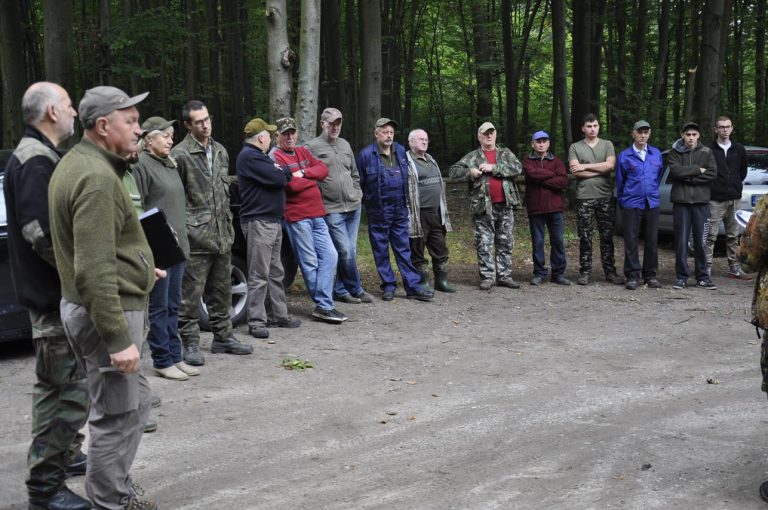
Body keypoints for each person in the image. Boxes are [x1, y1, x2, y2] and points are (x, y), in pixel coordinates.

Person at [48, 85, 159, 510]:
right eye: (130, 122)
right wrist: (117, 339)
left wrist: (143, 264)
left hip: (94, 305)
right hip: (105, 313)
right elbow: (92, 271)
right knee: (114, 418)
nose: (139, 129)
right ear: (102, 126)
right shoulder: (95, 178)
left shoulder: (81, 163)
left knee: (138, 400)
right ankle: (109, 502)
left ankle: (115, 488)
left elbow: (97, 247)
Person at [4, 82, 91, 510]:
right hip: (54, 299)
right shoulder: (35, 161)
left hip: (55, 295)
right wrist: (85, 273)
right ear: (52, 112)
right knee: (65, 393)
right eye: (71, 106)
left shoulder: (40, 155)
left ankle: (67, 455)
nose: (76, 112)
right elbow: (40, 234)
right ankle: (45, 489)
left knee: (58, 388)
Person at [172, 100, 252, 366]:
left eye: (207, 119)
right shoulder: (180, 154)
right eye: (199, 122)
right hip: (196, 237)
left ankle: (223, 336)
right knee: (191, 295)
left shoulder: (220, 151)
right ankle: (190, 343)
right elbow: (176, 197)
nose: (206, 125)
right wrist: (184, 230)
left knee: (222, 290)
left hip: (222, 234)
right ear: (187, 125)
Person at [133, 116, 199, 380]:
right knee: (159, 306)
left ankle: (175, 356)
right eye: (166, 135)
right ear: (149, 139)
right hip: (157, 248)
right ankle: (161, 359)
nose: (171, 139)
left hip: (178, 246)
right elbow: (137, 211)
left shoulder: (169, 164)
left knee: (174, 304)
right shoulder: (141, 165)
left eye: (172, 135)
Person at [271, 117, 347, 323]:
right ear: (276, 135)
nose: (290, 137)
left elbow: (323, 170)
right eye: (285, 133)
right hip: (296, 217)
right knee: (309, 261)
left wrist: (303, 173)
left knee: (331, 255)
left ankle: (323, 304)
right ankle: (324, 305)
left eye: (292, 132)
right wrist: (310, 180)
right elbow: (291, 187)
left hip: (317, 213)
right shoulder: (275, 156)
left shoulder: (302, 151)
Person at [236, 118, 301, 339]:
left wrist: (281, 172)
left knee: (275, 271)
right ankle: (256, 321)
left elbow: (283, 173)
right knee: (259, 273)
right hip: (259, 222)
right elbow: (279, 177)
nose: (272, 138)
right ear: (261, 137)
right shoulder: (249, 157)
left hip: (271, 221)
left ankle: (278, 315)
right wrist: (281, 172)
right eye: (269, 135)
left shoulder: (260, 157)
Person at [356, 118, 434, 301]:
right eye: (384, 132)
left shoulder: (399, 151)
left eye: (391, 132)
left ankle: (413, 287)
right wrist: (368, 204)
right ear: (376, 134)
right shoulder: (366, 155)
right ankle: (388, 286)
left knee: (403, 249)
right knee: (381, 251)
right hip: (378, 210)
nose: (388, 135)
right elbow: (359, 182)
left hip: (399, 208)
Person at [306, 108, 373, 303]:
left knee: (350, 251)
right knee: (345, 251)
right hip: (331, 209)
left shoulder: (345, 145)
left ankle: (341, 290)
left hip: (353, 207)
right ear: (322, 124)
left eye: (338, 123)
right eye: (331, 123)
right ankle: (357, 288)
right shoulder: (312, 147)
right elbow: (309, 178)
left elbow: (354, 173)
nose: (335, 127)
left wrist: (357, 194)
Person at [449, 121, 523, 291]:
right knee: (484, 243)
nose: (489, 136)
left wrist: (493, 168)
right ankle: (487, 277)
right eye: (485, 133)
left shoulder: (505, 153)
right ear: (479, 136)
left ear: (495, 135)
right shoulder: (472, 157)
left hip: (505, 205)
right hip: (482, 207)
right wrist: (470, 172)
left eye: (492, 133)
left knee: (505, 241)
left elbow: (517, 168)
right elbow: (453, 172)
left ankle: (504, 276)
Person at [568, 113, 623, 286]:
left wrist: (585, 166)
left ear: (599, 127)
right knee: (585, 236)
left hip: (604, 196)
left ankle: (610, 271)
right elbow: (576, 172)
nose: (592, 129)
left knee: (607, 236)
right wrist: (600, 169)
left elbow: (611, 165)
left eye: (595, 126)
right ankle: (585, 272)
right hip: (584, 197)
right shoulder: (575, 147)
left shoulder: (607, 145)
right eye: (589, 126)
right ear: (583, 128)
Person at [615, 120, 665, 290]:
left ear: (649, 134)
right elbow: (620, 182)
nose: (643, 135)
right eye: (640, 132)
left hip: (651, 203)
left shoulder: (656, 154)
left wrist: (652, 193)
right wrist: (624, 200)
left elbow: (657, 177)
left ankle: (650, 275)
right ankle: (632, 276)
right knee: (631, 240)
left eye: (646, 132)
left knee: (652, 240)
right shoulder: (624, 156)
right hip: (631, 203)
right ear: (633, 133)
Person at [668, 121, 718, 290]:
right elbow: (675, 172)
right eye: (687, 134)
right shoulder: (674, 152)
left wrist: (687, 177)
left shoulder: (707, 152)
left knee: (701, 242)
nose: (691, 138)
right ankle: (681, 277)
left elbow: (712, 174)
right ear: (682, 135)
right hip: (681, 203)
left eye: (694, 135)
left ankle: (703, 277)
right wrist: (697, 169)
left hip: (701, 203)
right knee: (681, 242)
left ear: (699, 135)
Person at [406, 128, 455, 292]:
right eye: (420, 139)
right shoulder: (406, 161)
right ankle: (422, 282)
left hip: (436, 212)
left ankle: (442, 282)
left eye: (426, 139)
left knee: (440, 248)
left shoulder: (431, 159)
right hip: (417, 214)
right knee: (417, 249)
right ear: (411, 142)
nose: (425, 141)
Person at [522, 130, 570, 286]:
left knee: (557, 241)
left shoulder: (557, 161)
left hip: (555, 208)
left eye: (544, 141)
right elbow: (531, 174)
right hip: (535, 208)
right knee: (538, 241)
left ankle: (558, 273)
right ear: (533, 144)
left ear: (548, 143)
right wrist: (551, 174)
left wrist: (542, 179)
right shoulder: (528, 161)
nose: (541, 144)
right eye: (538, 141)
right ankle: (539, 273)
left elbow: (562, 182)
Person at [706, 116, 751, 280]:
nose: (724, 129)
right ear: (715, 129)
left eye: (727, 126)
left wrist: (734, 186)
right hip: (715, 199)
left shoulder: (739, 149)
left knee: (733, 235)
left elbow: (742, 172)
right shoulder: (708, 149)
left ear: (732, 129)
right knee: (710, 235)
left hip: (734, 198)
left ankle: (734, 267)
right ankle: (706, 269)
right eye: (721, 127)